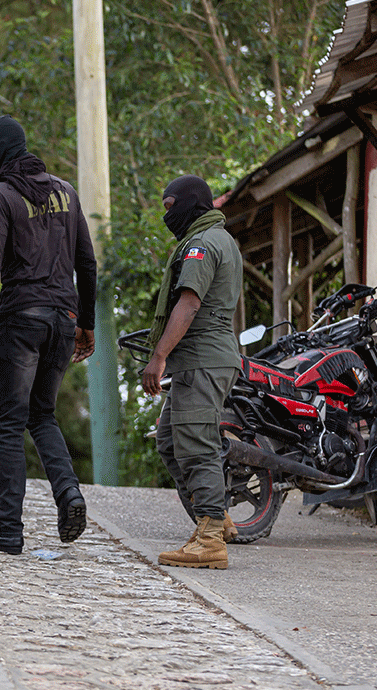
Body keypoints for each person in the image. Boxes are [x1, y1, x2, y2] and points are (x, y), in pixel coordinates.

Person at [0, 115, 98, 555]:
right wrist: (85, 324)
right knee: (42, 415)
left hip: (22, 322)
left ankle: (8, 528)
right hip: (64, 320)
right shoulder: (65, 192)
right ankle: (68, 493)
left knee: (9, 423)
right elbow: (86, 263)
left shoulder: (1, 195)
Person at [142, 174, 242, 570]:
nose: (168, 216)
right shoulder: (219, 238)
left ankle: (211, 538)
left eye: (171, 207)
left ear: (191, 203)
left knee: (196, 446)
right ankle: (215, 520)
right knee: (170, 440)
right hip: (202, 360)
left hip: (203, 358)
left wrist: (159, 356)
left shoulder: (202, 244)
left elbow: (189, 303)